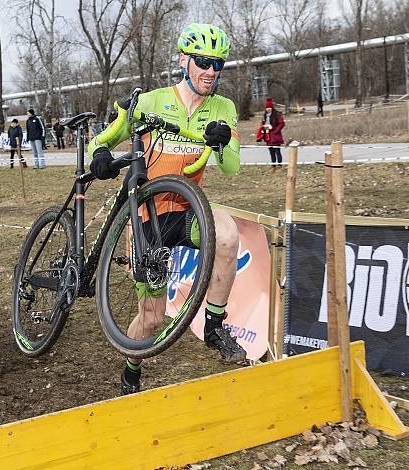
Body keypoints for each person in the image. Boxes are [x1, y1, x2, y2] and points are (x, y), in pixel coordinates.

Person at [88, 23, 246, 395]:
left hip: (189, 210)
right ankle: (131, 366)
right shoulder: (151, 102)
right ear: (184, 61)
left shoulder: (223, 108)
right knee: (152, 319)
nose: (211, 71)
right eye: (204, 62)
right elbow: (106, 137)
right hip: (148, 219)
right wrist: (99, 153)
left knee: (228, 235)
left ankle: (214, 326)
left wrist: (223, 143)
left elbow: (232, 167)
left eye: (218, 64)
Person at [261, 98, 285, 170]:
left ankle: (279, 165)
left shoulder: (277, 114)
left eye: (269, 107)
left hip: (275, 136)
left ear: (272, 107)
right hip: (268, 136)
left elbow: (281, 124)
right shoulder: (264, 116)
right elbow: (262, 124)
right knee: (271, 151)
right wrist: (263, 129)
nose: (268, 109)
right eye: (267, 108)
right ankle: (273, 165)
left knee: (277, 151)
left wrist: (275, 131)